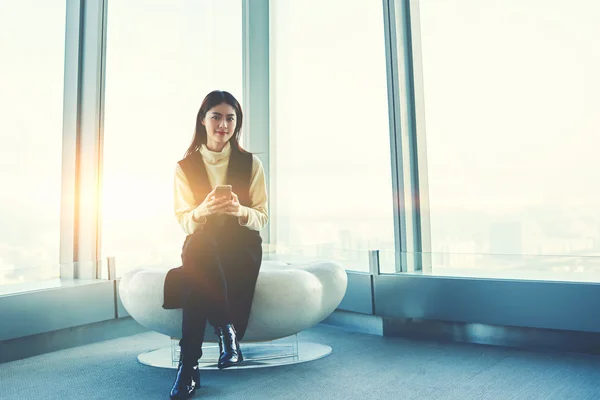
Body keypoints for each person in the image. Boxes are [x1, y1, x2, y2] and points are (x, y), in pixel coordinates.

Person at [161, 90, 268, 399]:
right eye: (217, 117)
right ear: (203, 120)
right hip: (204, 241)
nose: (224, 124)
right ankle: (226, 332)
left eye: (230, 118)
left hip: (240, 243)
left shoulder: (250, 163)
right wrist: (203, 211)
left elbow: (261, 216)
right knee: (199, 247)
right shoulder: (185, 167)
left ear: (237, 123)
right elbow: (185, 220)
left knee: (195, 268)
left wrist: (239, 211)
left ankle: (188, 367)